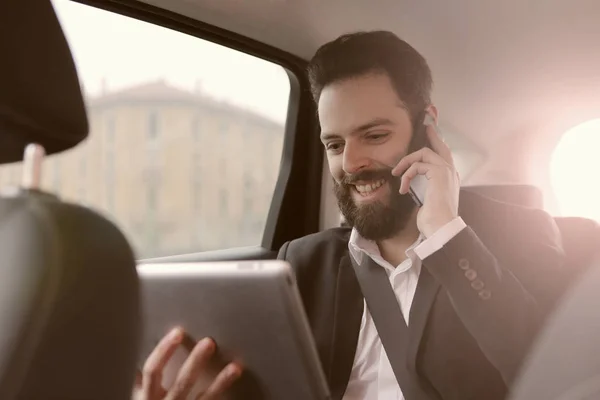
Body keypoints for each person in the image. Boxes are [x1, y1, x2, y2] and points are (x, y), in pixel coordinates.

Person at [134, 31, 567, 400]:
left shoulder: (522, 233)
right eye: (335, 145)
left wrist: (446, 236)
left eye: (375, 135)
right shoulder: (301, 262)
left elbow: (557, 380)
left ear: (427, 126)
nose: (352, 163)